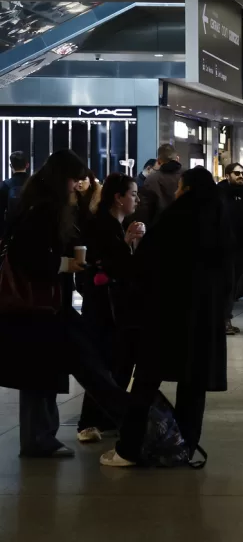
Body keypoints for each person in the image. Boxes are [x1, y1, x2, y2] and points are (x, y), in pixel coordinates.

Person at [0, 150, 129, 458]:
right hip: (41, 305)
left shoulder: (34, 203)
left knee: (43, 371)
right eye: (74, 179)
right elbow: (29, 257)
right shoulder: (43, 209)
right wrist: (64, 264)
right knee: (48, 370)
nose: (77, 185)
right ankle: (40, 438)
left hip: (40, 307)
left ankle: (42, 436)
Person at [101, 167, 231, 467]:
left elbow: (145, 266)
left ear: (185, 189)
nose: (175, 193)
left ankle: (128, 449)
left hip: (166, 315)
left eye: (179, 188)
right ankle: (185, 447)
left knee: (146, 381)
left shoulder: (174, 217)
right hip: (205, 319)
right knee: (193, 384)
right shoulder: (220, 219)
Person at [75, 173, 145, 443]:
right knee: (103, 364)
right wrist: (126, 244)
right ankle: (89, 421)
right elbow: (110, 264)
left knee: (117, 362)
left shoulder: (116, 224)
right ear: (118, 198)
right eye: (133, 194)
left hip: (114, 306)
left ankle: (105, 416)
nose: (136, 199)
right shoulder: (101, 225)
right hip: (104, 307)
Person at [218, 163, 243, 335]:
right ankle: (223, 320)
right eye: (237, 173)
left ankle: (225, 318)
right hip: (222, 248)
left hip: (241, 247)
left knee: (233, 286)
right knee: (225, 285)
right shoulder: (219, 194)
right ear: (227, 175)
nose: (241, 176)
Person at [136, 143, 183, 226]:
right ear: (177, 158)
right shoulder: (188, 177)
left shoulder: (150, 180)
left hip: (158, 232)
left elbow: (145, 213)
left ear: (158, 161)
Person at [0, 150, 29, 238]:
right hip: (32, 232)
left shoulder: (5, 185)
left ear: (10, 166)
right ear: (27, 165)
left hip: (12, 233)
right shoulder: (35, 183)